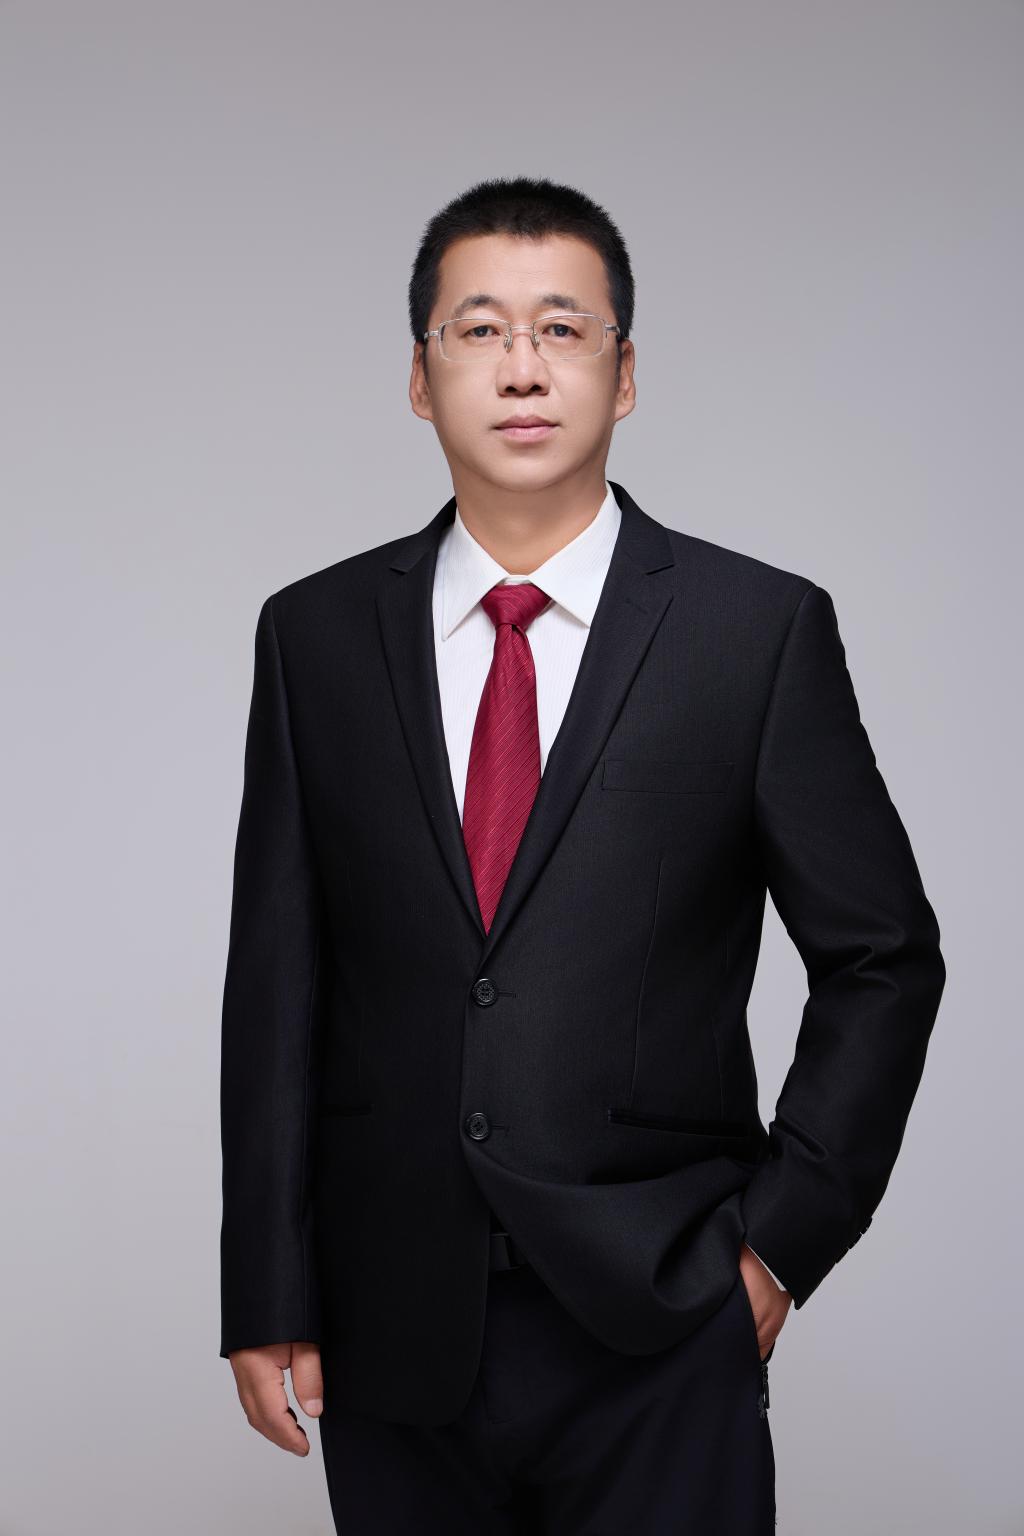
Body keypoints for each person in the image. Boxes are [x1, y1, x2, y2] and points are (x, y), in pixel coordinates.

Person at [219, 175, 946, 1534]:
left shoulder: (753, 631)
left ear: (626, 375)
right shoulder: (314, 636)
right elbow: (278, 984)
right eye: (479, 330)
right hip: (391, 1318)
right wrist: (265, 1286)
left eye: (563, 328)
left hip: (663, 1312)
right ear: (421, 379)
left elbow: (884, 959)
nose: (523, 367)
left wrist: (779, 1246)